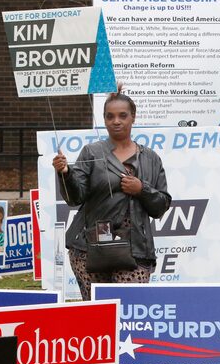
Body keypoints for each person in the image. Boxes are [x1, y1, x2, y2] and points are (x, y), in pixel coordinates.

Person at [52, 87, 171, 299]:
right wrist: (65, 173)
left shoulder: (150, 158)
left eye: (122, 116)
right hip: (90, 248)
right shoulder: (92, 152)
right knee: (99, 313)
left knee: (130, 309)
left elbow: (161, 206)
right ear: (104, 120)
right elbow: (74, 198)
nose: (116, 121)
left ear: (133, 117)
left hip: (136, 250)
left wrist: (141, 189)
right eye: (110, 116)